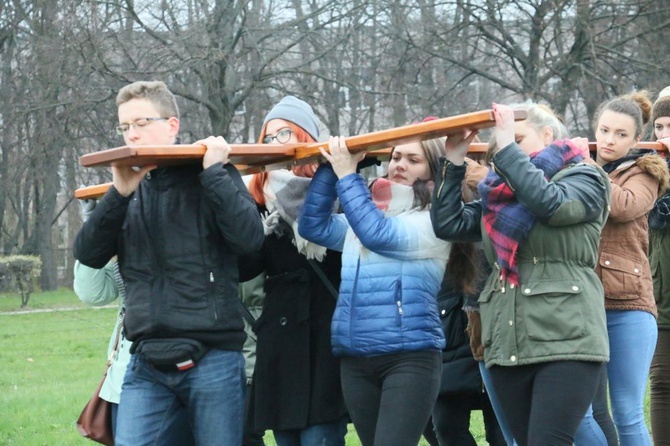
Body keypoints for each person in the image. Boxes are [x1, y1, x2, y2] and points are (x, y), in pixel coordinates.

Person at [73, 80, 264, 445]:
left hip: (214, 358)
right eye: (125, 127)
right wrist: (119, 193)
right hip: (146, 362)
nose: (133, 135)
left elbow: (249, 241)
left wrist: (214, 173)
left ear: (172, 125)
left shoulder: (214, 175)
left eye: (141, 123)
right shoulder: (127, 189)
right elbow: (89, 254)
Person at [431, 102, 611, 445]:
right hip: (507, 341)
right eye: (500, 144)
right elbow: (448, 224)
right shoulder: (499, 197)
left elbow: (551, 204)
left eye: (515, 138)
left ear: (547, 134)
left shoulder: (585, 177)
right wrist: (453, 160)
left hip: (567, 338)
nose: (503, 149)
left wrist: (507, 149)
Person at [298, 134, 451, 446]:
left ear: (433, 170)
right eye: (395, 157)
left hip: (409, 357)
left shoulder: (434, 220)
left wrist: (347, 175)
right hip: (356, 357)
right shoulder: (368, 213)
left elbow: (377, 236)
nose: (400, 165)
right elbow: (313, 227)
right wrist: (331, 168)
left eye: (413, 159)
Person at [239, 96, 349, 446]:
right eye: (267, 137)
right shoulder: (258, 200)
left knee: (321, 437)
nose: (273, 144)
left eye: (283, 132)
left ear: (304, 136)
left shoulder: (335, 188)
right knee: (286, 438)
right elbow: (245, 268)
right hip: (281, 346)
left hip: (325, 336)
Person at [592, 91, 669, 446]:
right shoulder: (575, 167)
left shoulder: (646, 172)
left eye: (621, 134)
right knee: (583, 413)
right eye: (605, 130)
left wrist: (586, 167)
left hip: (629, 306)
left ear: (637, 139)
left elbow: (623, 206)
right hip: (582, 304)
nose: (609, 140)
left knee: (627, 411)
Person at [649, 90, 670, 446]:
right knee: (663, 383)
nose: (664, 135)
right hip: (659, 294)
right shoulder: (650, 170)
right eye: (659, 126)